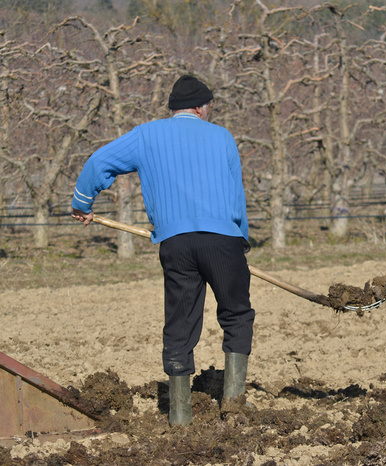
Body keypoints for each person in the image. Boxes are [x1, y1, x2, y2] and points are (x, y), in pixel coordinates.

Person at [71, 75, 255, 426]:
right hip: (222, 240)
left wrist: (83, 201)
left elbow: (99, 161)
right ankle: (233, 405)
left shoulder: (147, 134)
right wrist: (240, 241)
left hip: (176, 243)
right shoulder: (223, 137)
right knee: (236, 314)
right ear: (202, 107)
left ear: (175, 108)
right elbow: (236, 195)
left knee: (180, 322)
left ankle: (180, 417)